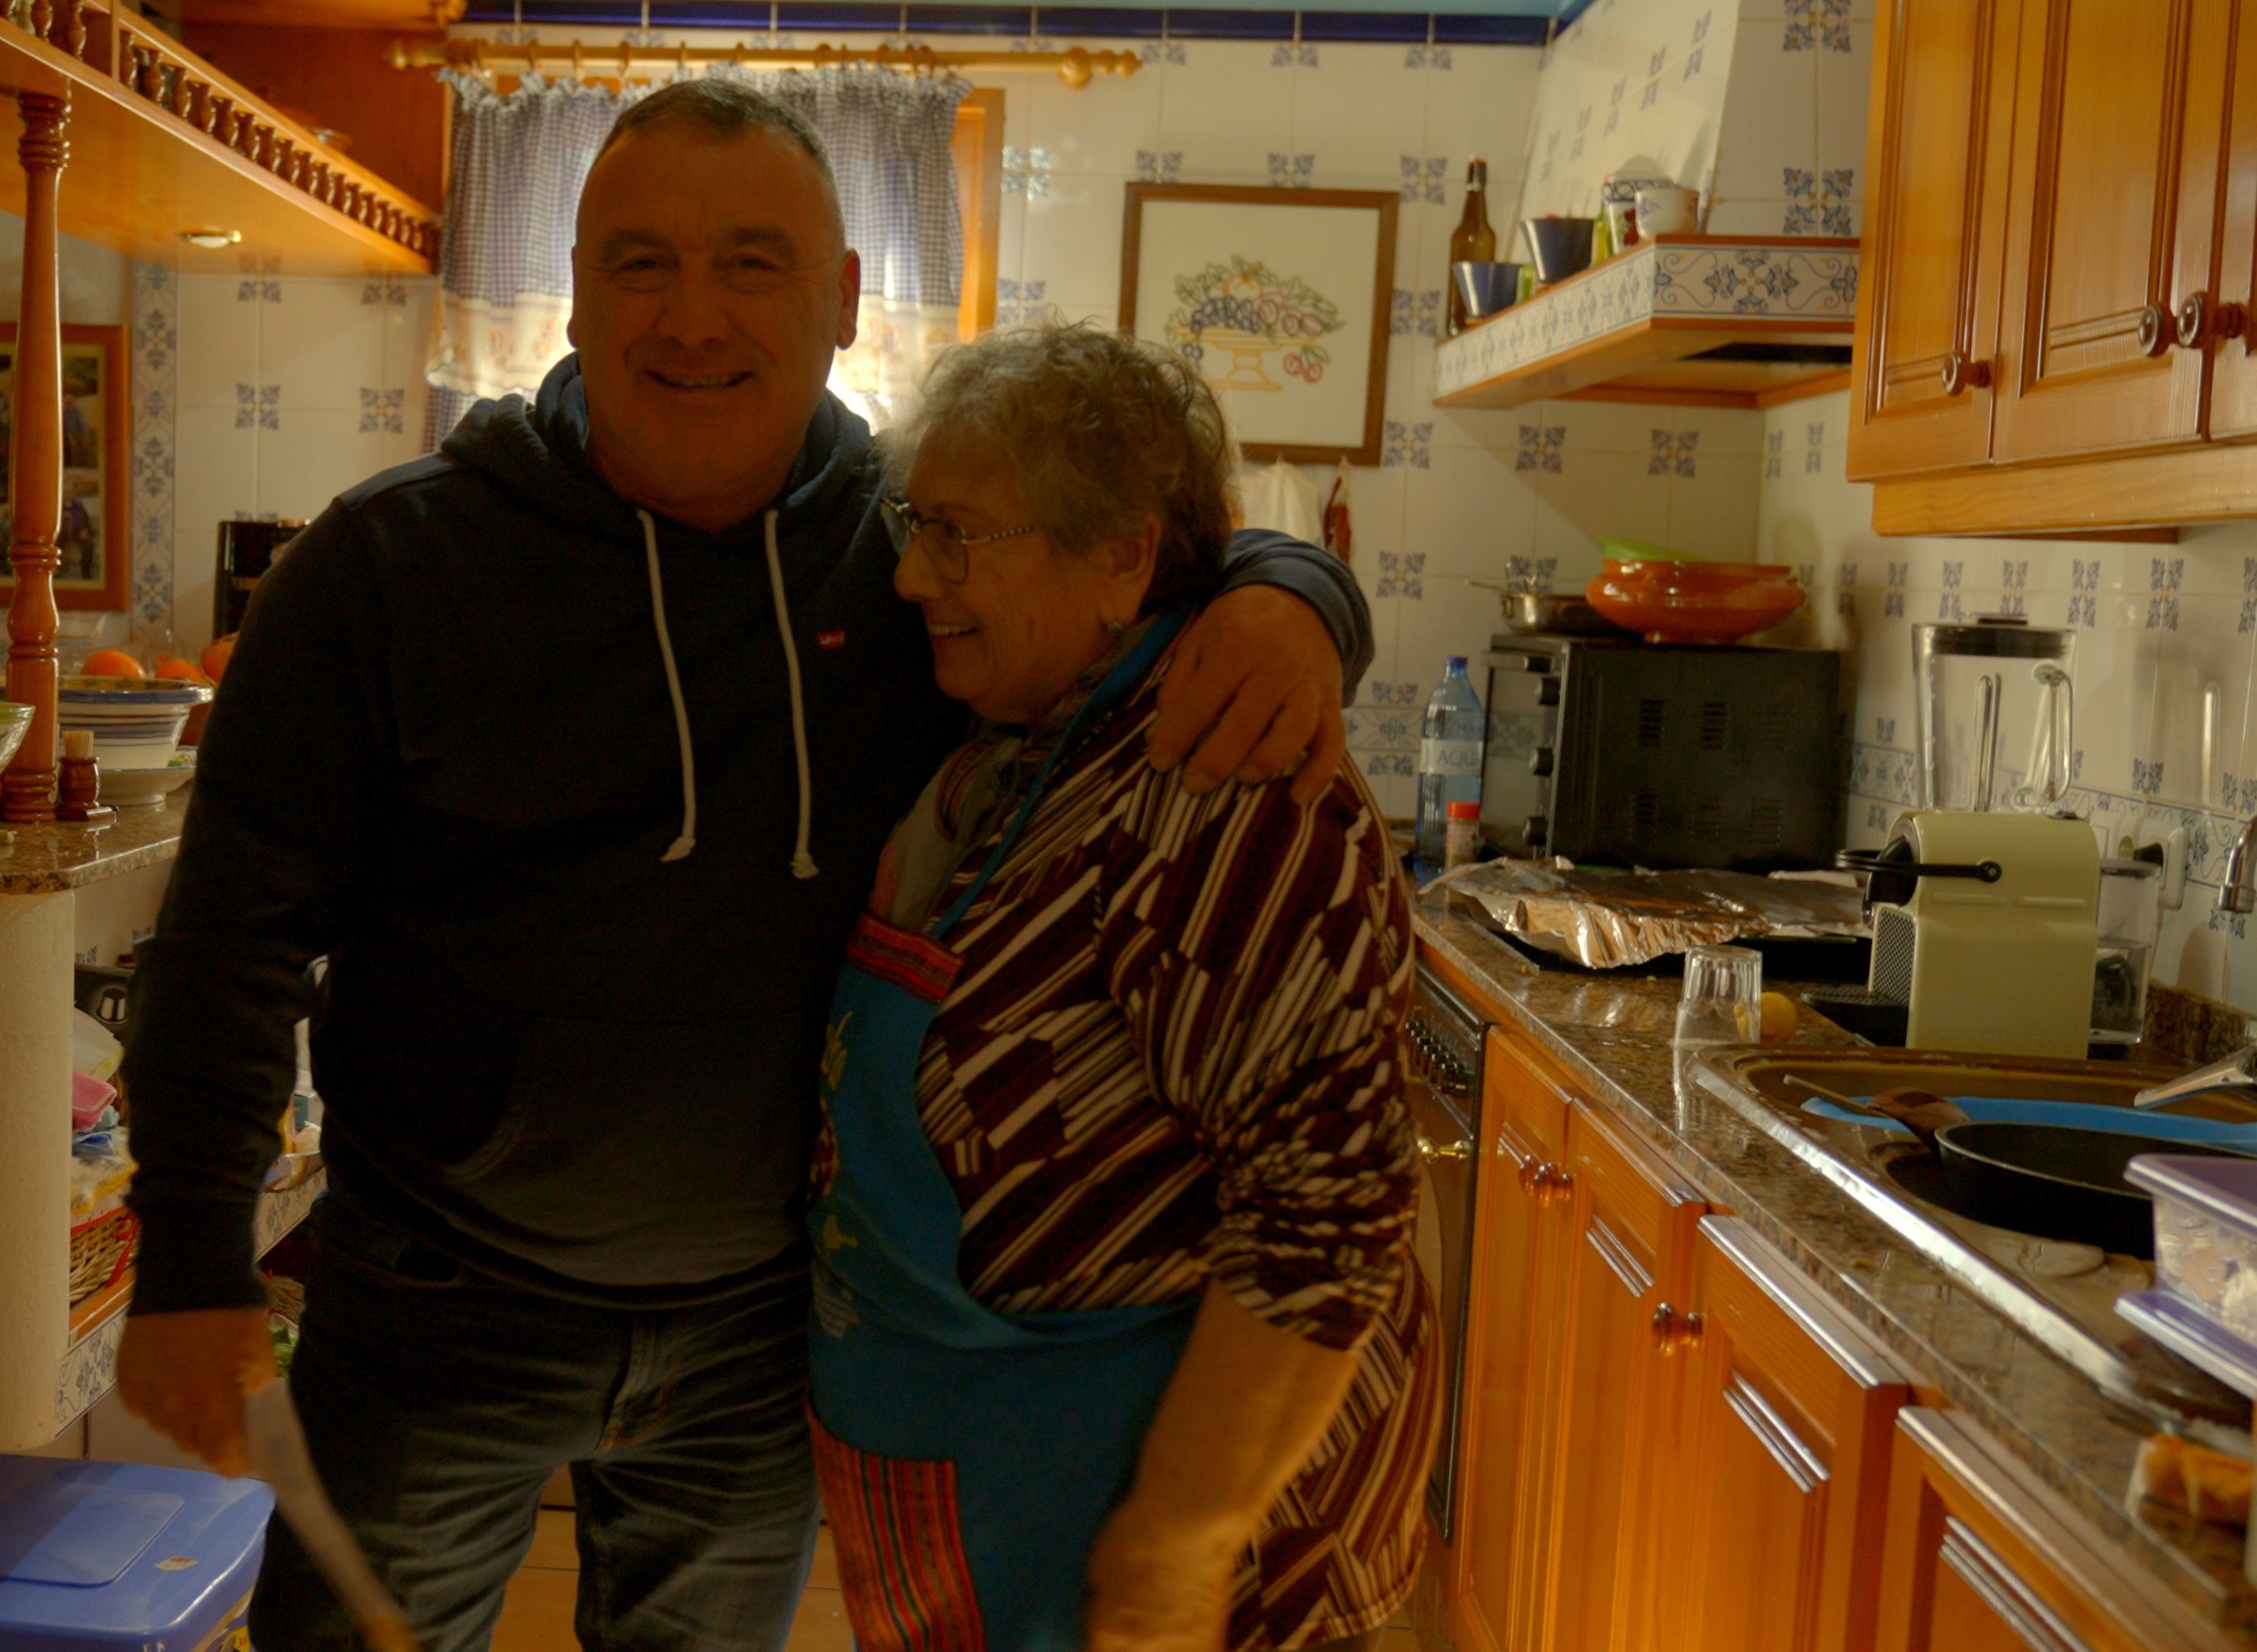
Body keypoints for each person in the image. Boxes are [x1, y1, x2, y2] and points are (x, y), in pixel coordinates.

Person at [115, 80, 1379, 1652]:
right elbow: (230, 940)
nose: (693, 318)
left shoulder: (915, 551)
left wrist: (1295, 592)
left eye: (752, 264)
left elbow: (1136, 548)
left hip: (767, 1338)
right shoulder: (384, 564)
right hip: (437, 1311)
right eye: (641, 262)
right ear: (574, 293)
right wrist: (191, 1258)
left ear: (843, 300)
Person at [809, 322, 1436, 1652]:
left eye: (958, 536)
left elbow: (1330, 1212)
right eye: (916, 525)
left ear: (1124, 556)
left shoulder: (1220, 780)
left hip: (1175, 1565)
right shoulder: (1023, 737)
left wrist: (1178, 1543)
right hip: (999, 1504)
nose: (912, 574)